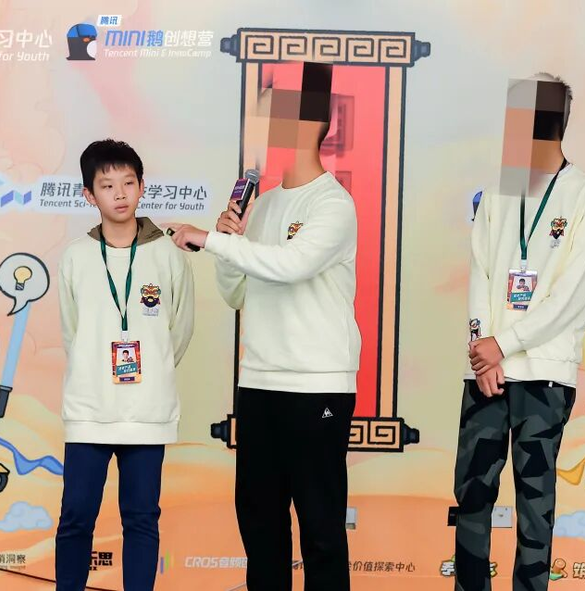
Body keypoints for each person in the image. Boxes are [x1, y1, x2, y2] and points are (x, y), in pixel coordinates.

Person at [167, 62, 359, 591]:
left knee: (320, 528)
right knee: (260, 525)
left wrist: (212, 240)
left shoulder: (334, 204)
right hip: (259, 384)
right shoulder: (266, 203)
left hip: (316, 387)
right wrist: (229, 244)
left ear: (308, 123)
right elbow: (238, 293)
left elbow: (293, 265)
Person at [454, 73, 585, 591]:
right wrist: (483, 350)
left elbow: (571, 295)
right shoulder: (499, 190)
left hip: (544, 374)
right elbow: (480, 273)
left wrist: (503, 344)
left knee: (534, 508)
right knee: (472, 497)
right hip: (486, 373)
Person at [55, 139, 195, 591]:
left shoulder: (169, 253)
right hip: (89, 410)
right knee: (76, 517)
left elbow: (180, 329)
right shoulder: (75, 255)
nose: (119, 193)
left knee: (141, 519)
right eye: (107, 185)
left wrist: (153, 371)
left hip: (147, 412)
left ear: (141, 186)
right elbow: (72, 332)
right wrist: (95, 370)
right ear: (88, 195)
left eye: (128, 183)